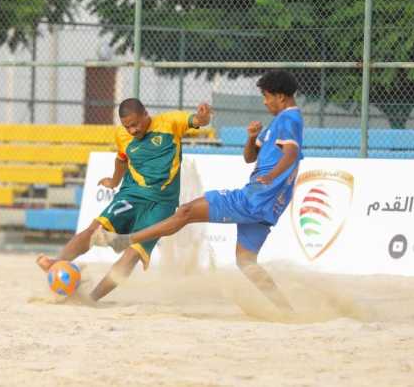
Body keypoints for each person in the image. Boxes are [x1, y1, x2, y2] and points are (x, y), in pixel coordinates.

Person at [92, 70, 303, 312]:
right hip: (266, 207)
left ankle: (126, 240)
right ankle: (287, 311)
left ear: (281, 96)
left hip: (255, 198)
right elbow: (248, 157)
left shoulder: (289, 119)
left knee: (185, 212)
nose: (264, 101)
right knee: (246, 261)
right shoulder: (276, 124)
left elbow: (291, 154)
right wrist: (251, 137)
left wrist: (271, 176)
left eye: (267, 96)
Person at [36, 98, 212, 301]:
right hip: (132, 195)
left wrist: (202, 117)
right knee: (94, 230)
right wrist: (113, 181)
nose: (132, 130)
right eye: (127, 126)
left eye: (135, 124)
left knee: (133, 253)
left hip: (161, 204)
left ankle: (91, 299)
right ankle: (56, 263)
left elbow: (197, 121)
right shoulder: (122, 134)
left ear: (146, 114)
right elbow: (121, 160)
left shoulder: (170, 122)